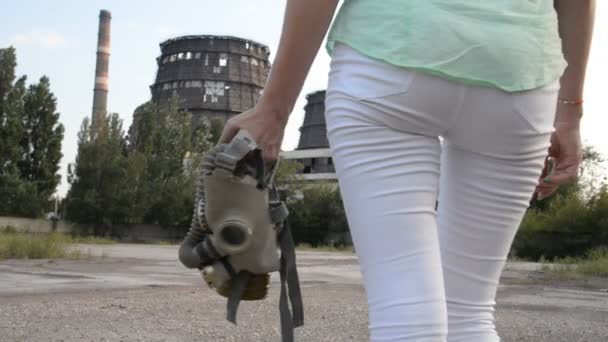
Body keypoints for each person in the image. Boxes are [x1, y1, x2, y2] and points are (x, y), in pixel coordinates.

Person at [219, 1, 596, 341]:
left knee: (406, 312)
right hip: (520, 72)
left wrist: (275, 109)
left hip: (388, 59)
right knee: (469, 313)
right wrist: (571, 111)